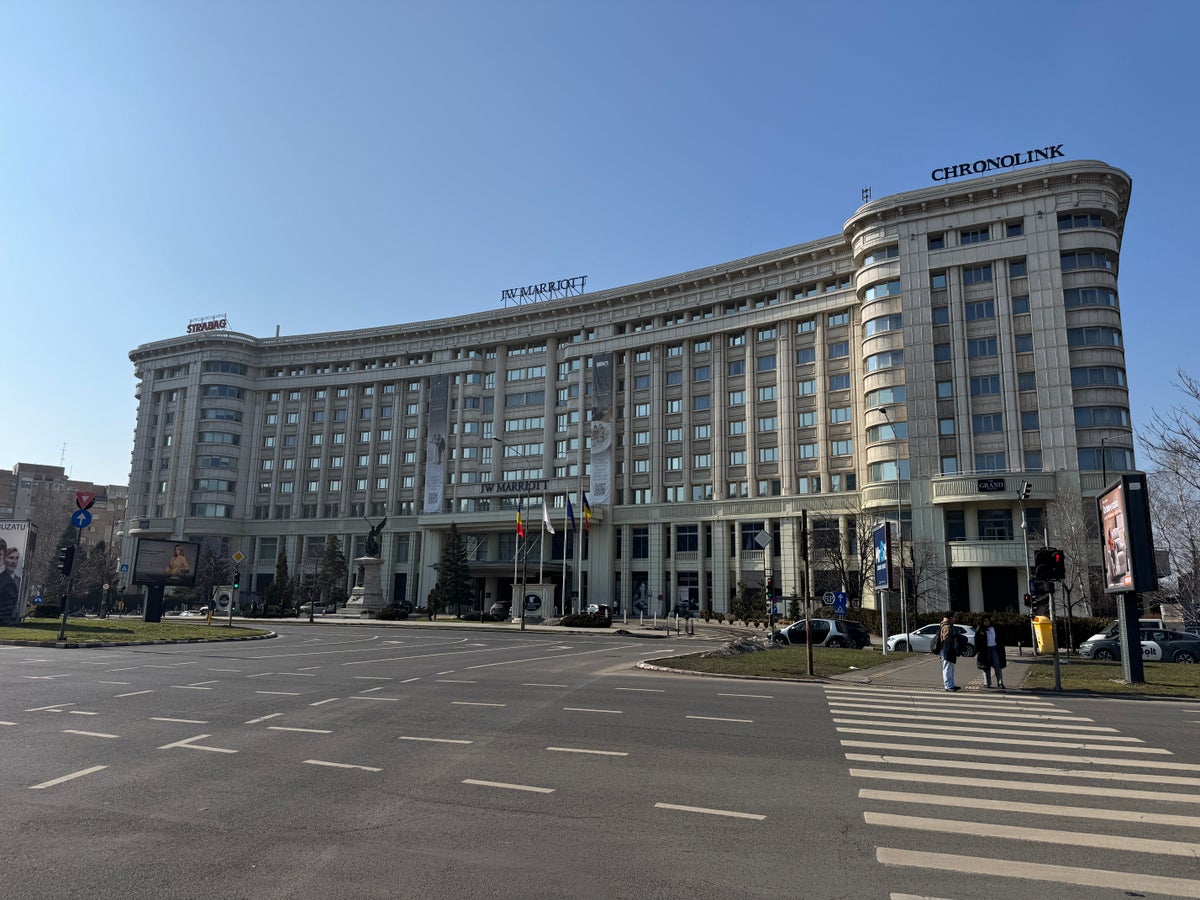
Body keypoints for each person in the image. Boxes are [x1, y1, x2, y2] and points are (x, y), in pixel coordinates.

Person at [974, 615, 1007, 690]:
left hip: (994, 648)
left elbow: (1000, 637)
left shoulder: (994, 628)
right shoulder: (980, 629)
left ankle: (1000, 682)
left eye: (988, 621)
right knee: (986, 667)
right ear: (982, 622)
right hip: (984, 650)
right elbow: (977, 640)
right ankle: (987, 683)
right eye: (985, 621)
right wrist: (978, 650)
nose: (987, 622)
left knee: (997, 665)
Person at [938, 611, 961, 692]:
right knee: (947, 668)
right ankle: (948, 686)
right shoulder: (947, 626)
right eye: (954, 616)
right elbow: (947, 639)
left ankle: (951, 685)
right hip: (946, 649)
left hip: (947, 649)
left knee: (950, 667)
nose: (955, 618)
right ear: (951, 617)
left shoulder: (946, 625)